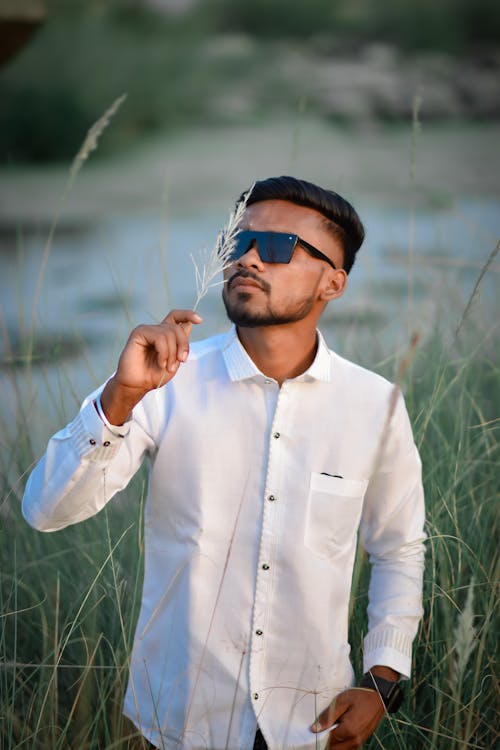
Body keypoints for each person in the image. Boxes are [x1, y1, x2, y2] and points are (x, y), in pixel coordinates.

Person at [22, 176, 426, 750]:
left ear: (332, 282)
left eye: (281, 247)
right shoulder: (164, 382)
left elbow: (398, 547)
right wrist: (119, 397)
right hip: (180, 721)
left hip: (311, 721)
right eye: (239, 242)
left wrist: (382, 682)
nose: (250, 258)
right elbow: (44, 510)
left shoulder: (374, 404)